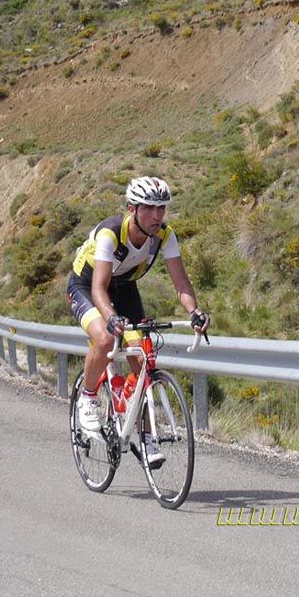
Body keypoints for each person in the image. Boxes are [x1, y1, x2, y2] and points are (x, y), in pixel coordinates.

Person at [67, 176, 210, 464]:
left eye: (162, 208)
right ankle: (88, 397)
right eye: (149, 208)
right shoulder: (110, 233)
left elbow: (181, 283)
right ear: (132, 209)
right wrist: (111, 318)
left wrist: (194, 312)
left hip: (124, 288)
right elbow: (99, 288)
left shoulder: (165, 236)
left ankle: (147, 437)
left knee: (142, 357)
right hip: (87, 285)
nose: (157, 215)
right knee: (105, 338)